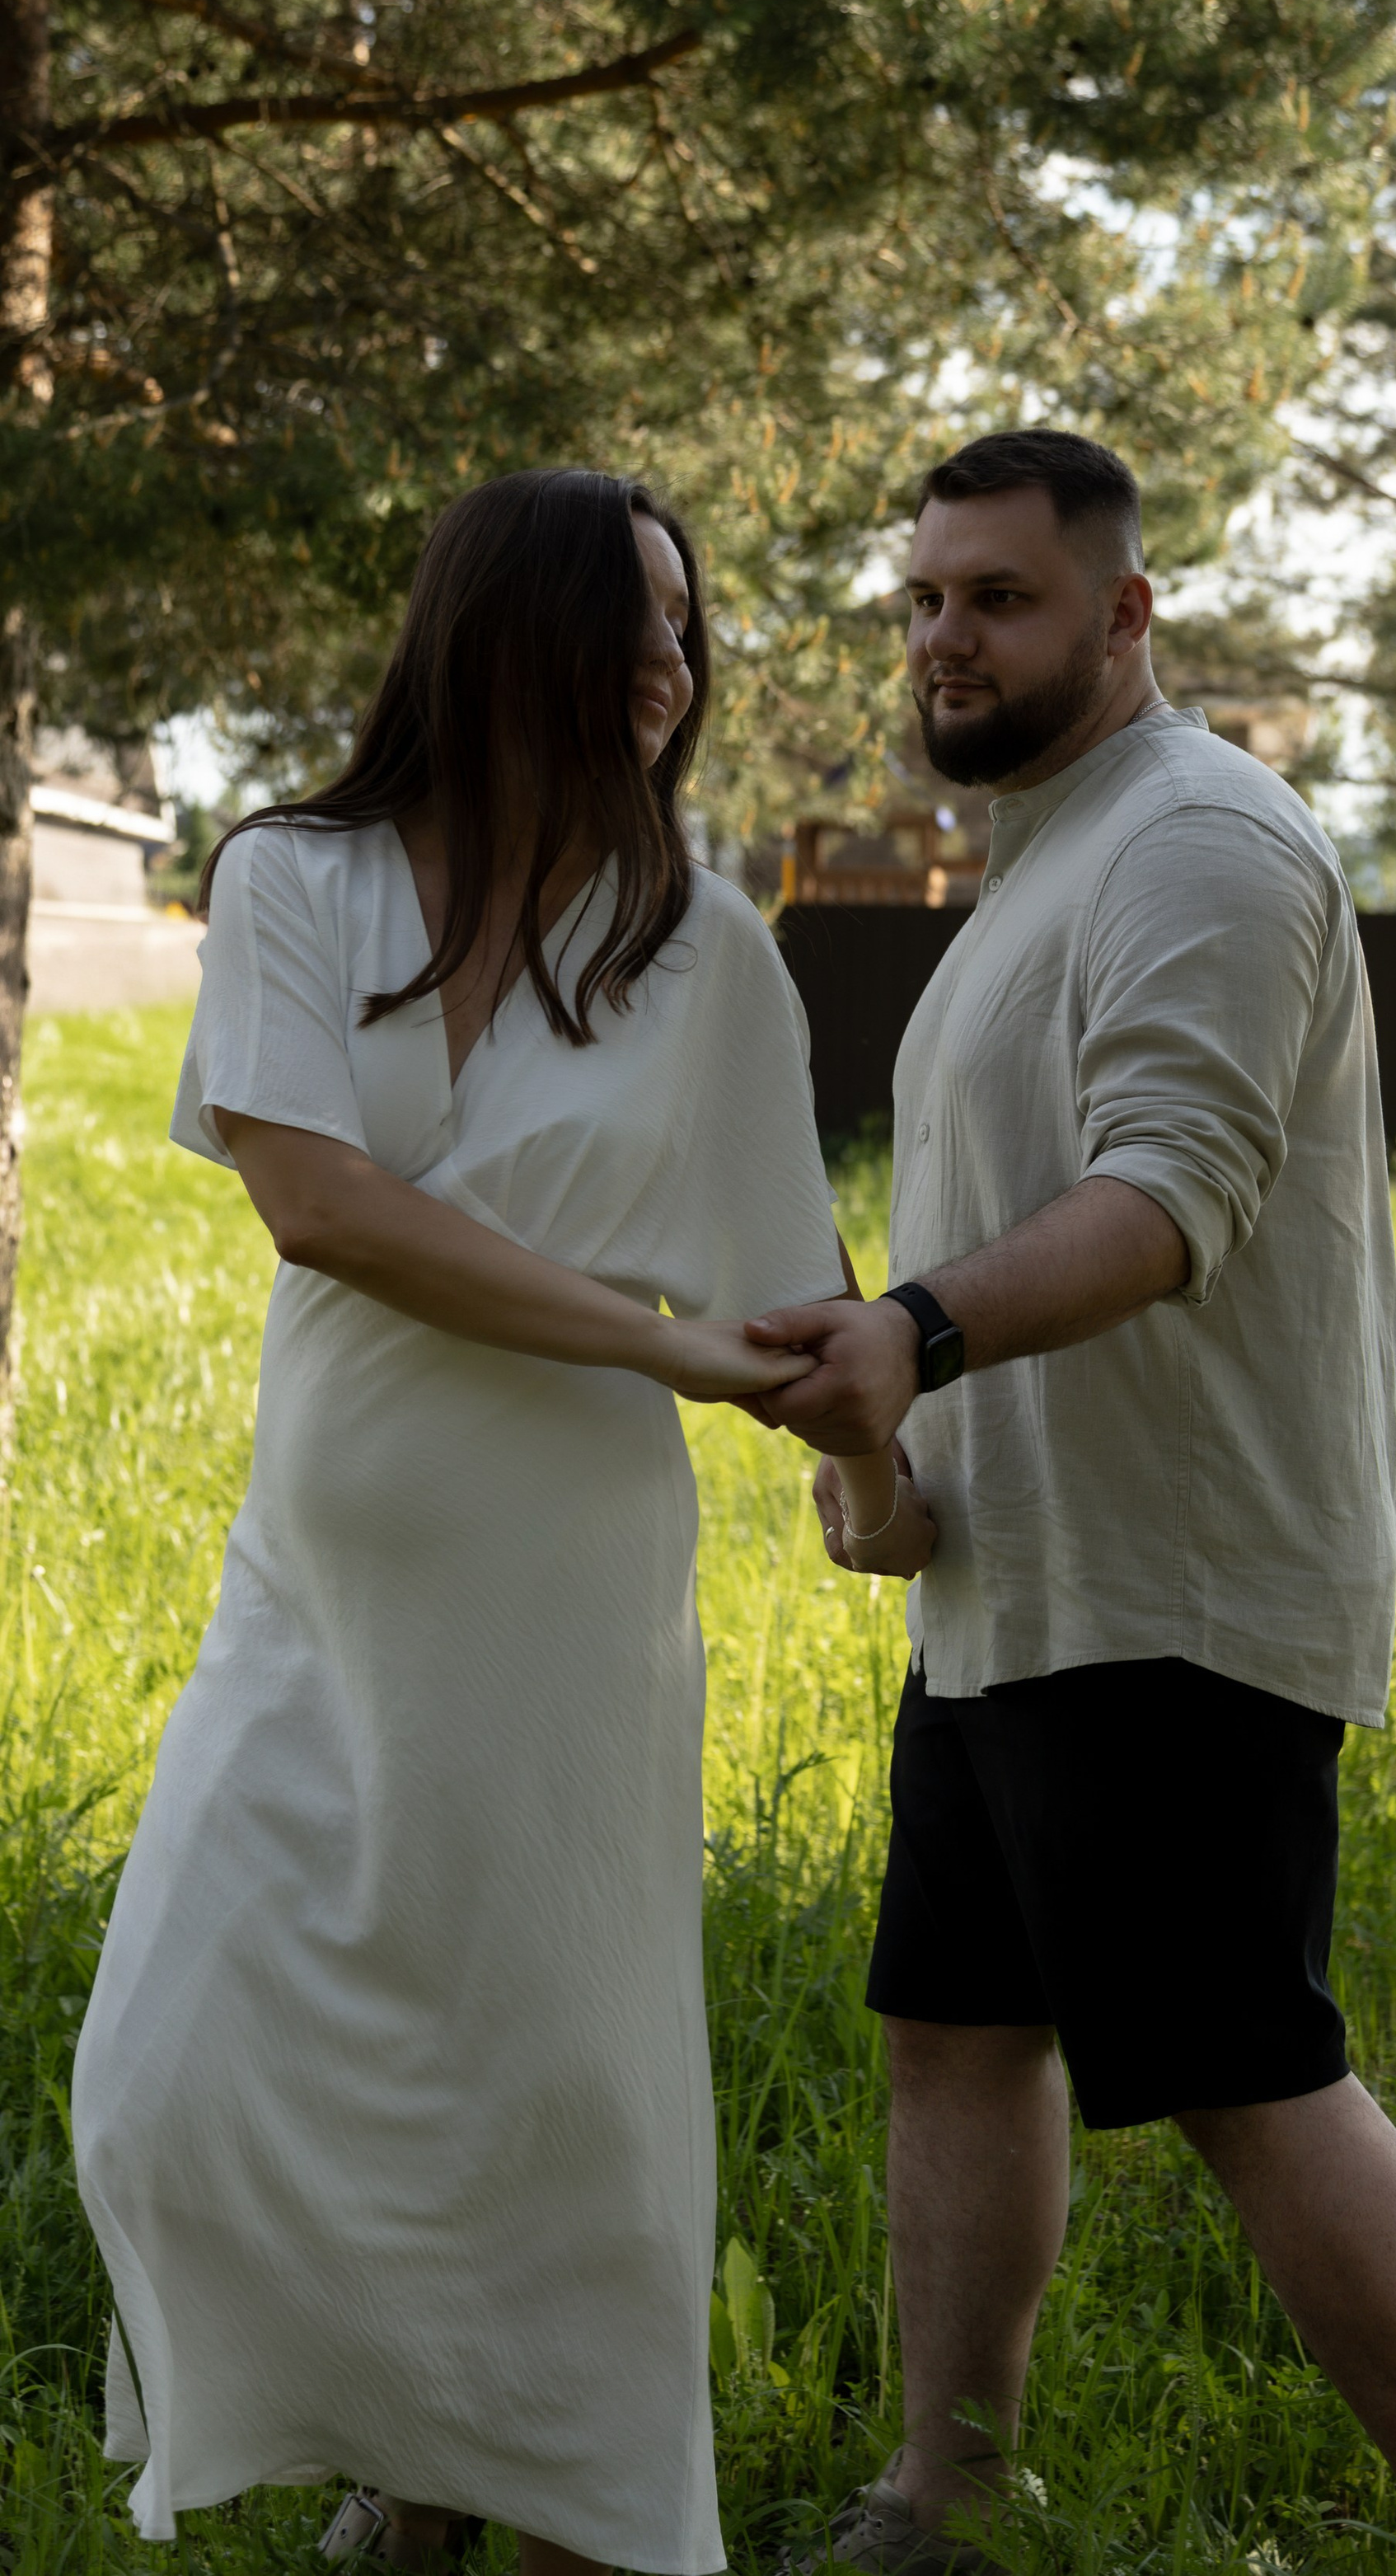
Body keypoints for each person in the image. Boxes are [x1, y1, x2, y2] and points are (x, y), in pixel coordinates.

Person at [743, 430, 1396, 2576]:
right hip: (1018, 1596)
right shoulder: (1035, 870)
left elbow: (1170, 1199)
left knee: (1247, 2076)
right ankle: (949, 2501)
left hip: (1177, 1596)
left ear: (1125, 617)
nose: (947, 635)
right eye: (924, 598)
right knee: (953, 2043)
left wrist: (913, 1334)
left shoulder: (1202, 841)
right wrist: (897, 1456)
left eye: (1000, 597)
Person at [71, 470, 925, 2576]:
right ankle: (409, 2443)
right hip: (321, 1577)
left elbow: (776, 1278)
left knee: (555, 2081)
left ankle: (556, 2508)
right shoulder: (294, 875)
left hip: (563, 1594)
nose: (674, 668)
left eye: (686, 629)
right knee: (176, 2066)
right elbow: (321, 1205)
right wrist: (662, 1356)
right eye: (631, 620)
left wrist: (873, 1476)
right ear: (499, 628)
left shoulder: (701, 946)